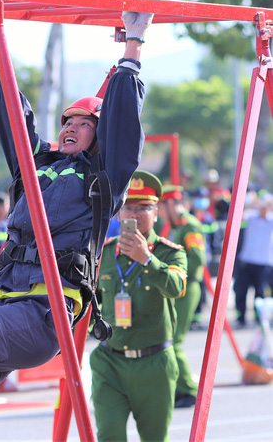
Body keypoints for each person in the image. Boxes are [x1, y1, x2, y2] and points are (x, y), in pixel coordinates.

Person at [0, 9, 150, 441]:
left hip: (44, 315)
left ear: (100, 136)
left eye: (84, 124)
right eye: (68, 122)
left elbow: (124, 127)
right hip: (4, 307)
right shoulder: (36, 168)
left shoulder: (102, 178)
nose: (71, 128)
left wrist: (132, 45)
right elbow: (11, 118)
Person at [91, 170, 187, 442]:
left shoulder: (171, 252)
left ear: (157, 213)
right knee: (109, 436)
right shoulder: (104, 253)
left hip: (154, 363)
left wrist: (147, 259)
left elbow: (176, 287)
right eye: (128, 208)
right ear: (119, 214)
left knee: (155, 438)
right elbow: (90, 302)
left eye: (144, 208)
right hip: (110, 361)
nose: (134, 215)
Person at [158, 184, 207, 408]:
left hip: (187, 288)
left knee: (173, 341)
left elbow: (197, 259)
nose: (157, 212)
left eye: (159, 206)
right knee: (168, 339)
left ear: (170, 204)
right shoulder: (174, 226)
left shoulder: (189, 226)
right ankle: (179, 388)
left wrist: (175, 273)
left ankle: (188, 389)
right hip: (178, 287)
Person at [233, 196, 273, 327]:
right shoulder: (251, 217)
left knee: (260, 292)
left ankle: (259, 319)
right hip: (247, 261)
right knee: (241, 290)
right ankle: (241, 318)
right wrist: (253, 204)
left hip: (264, 262)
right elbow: (238, 211)